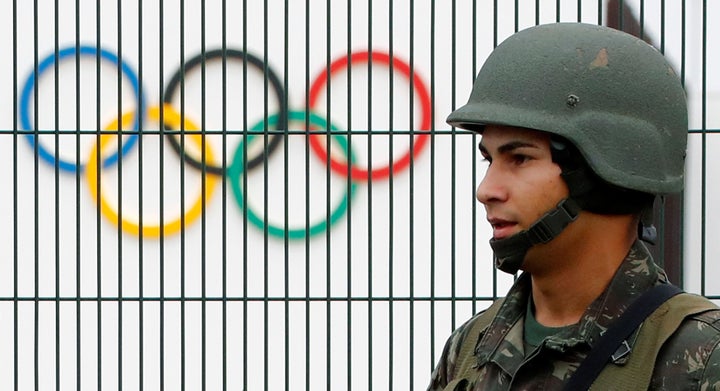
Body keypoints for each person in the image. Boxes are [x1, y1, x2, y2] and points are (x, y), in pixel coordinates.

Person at [427, 23, 720, 390]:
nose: (486, 190)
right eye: (489, 160)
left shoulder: (700, 356)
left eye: (519, 158)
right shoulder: (471, 347)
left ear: (602, 173)